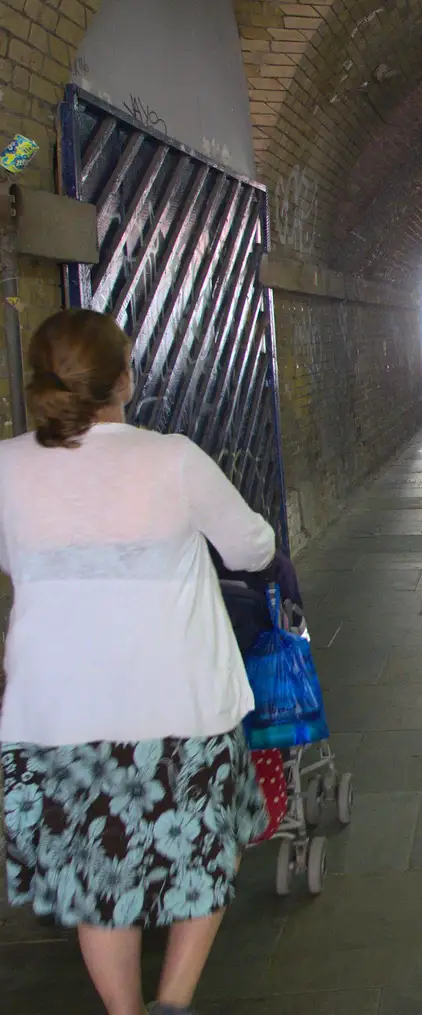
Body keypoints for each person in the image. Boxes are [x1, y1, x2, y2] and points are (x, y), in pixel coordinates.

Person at [0, 309, 277, 1015]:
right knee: (207, 852)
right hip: (178, 704)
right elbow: (249, 548)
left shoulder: (6, 466)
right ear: (125, 378)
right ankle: (173, 1001)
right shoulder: (173, 457)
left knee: (95, 877)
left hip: (56, 711)